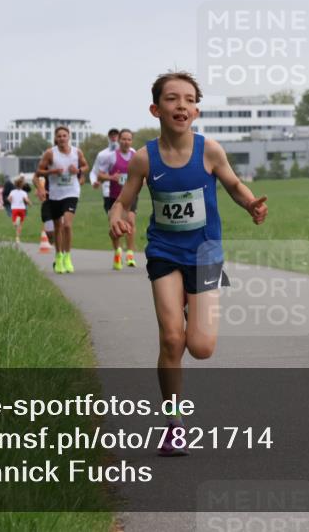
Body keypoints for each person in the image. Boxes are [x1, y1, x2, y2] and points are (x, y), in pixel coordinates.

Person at [109, 71, 267, 456]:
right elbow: (124, 200)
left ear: (196, 110)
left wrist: (250, 203)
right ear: (155, 109)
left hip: (205, 253)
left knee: (200, 347)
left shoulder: (209, 150)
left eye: (189, 100)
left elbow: (233, 185)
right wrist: (116, 216)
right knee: (171, 339)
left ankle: (189, 307)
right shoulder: (144, 158)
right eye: (172, 98)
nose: (181, 105)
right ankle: (174, 424)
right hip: (164, 251)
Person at [37, 126, 89, 273]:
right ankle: (59, 256)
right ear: (55, 138)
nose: (61, 138)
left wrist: (78, 170)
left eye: (64, 135)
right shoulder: (50, 153)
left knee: (67, 225)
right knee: (58, 227)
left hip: (72, 192)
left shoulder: (76, 152)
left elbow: (85, 166)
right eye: (59, 136)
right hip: (55, 194)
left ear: (68, 137)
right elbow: (39, 171)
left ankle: (67, 256)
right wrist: (52, 171)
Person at [97, 129, 138, 269]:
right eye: (123, 139)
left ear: (132, 141)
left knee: (131, 221)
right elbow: (100, 176)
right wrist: (111, 177)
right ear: (119, 140)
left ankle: (130, 254)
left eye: (129, 139)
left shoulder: (136, 156)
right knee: (115, 226)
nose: (126, 142)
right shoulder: (111, 157)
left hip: (131, 196)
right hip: (114, 197)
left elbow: (142, 174)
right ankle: (117, 251)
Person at [7, 177, 31, 243]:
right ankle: (17, 238)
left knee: (15, 223)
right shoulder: (24, 192)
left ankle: (15, 223)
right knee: (20, 224)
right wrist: (30, 203)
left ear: (15, 185)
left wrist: (12, 202)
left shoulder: (12, 192)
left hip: (14, 208)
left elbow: (9, 199)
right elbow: (26, 200)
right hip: (22, 209)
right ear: (22, 185)